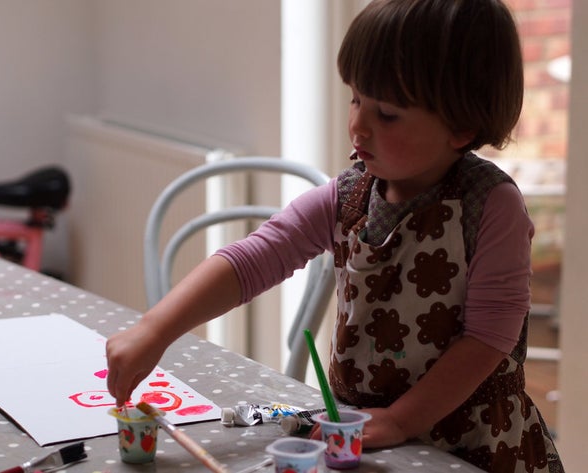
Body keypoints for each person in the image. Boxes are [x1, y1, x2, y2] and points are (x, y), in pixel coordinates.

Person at [106, 0, 564, 471]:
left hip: (472, 444)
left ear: (461, 126)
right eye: (356, 98)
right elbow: (254, 258)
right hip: (365, 431)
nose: (358, 125)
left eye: (386, 113)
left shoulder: (490, 205)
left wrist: (403, 420)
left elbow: (489, 339)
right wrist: (154, 328)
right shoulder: (349, 195)